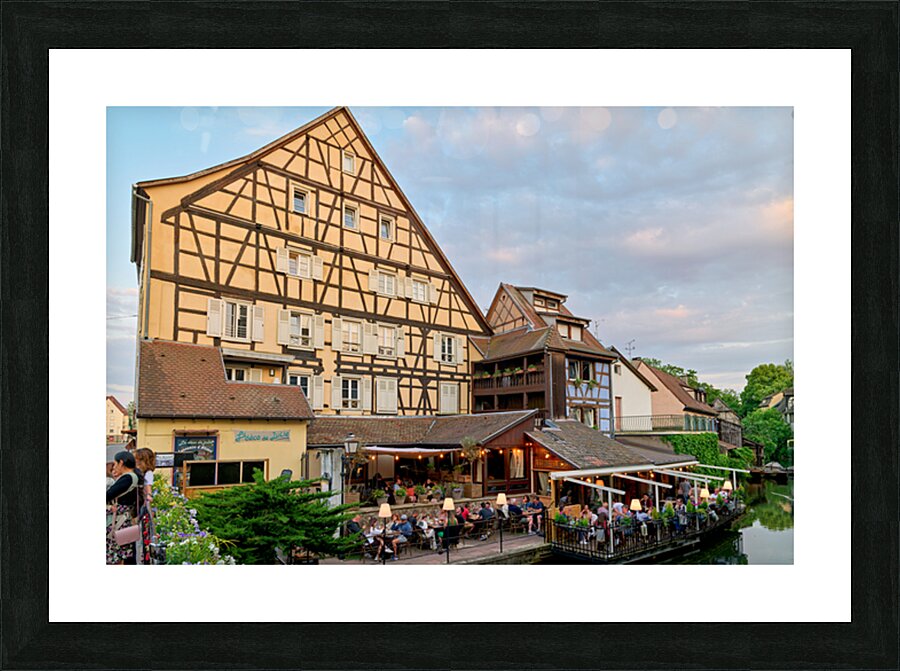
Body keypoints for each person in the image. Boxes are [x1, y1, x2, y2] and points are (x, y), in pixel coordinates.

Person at [106, 451, 143, 564]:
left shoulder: (128, 477)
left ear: (121, 463)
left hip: (118, 521)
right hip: (126, 519)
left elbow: (108, 495)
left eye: (115, 464)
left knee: (116, 556)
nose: (115, 467)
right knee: (124, 555)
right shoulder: (134, 476)